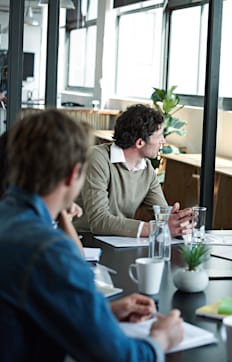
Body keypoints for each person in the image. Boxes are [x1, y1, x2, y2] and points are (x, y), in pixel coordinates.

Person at [0, 110, 184, 360]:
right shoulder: (48, 250)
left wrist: (102, 311)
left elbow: (29, 308)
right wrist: (161, 339)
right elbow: (118, 357)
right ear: (73, 174)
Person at [75, 104, 192, 237]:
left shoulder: (146, 168)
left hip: (119, 243)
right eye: (159, 136)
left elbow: (162, 215)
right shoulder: (97, 158)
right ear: (140, 143)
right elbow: (99, 221)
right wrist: (155, 228)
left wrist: (178, 221)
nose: (163, 141)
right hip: (85, 242)